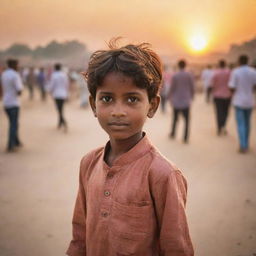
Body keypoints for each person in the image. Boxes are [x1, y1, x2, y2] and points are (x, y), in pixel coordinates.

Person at [66, 40, 194, 256]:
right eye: (107, 98)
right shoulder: (89, 163)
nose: (118, 111)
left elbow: (176, 248)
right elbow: (80, 235)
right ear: (93, 105)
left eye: (132, 99)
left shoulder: (162, 174)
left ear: (152, 105)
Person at [228, 55, 256, 153]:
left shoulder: (236, 72)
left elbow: (231, 87)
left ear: (239, 61)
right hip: (249, 101)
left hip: (239, 101)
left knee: (241, 124)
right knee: (248, 123)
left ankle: (243, 145)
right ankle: (246, 143)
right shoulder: (253, 71)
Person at [168, 59, 195, 143]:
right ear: (185, 65)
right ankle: (185, 137)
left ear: (178, 65)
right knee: (187, 120)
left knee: (175, 119)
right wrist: (192, 96)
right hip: (186, 101)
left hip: (176, 101)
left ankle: (173, 133)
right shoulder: (189, 75)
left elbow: (172, 88)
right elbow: (192, 87)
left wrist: (169, 96)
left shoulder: (175, 75)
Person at [1, 59, 23, 152]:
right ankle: (10, 145)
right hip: (14, 103)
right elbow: (19, 90)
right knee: (13, 124)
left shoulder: (4, 74)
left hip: (6, 102)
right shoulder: (15, 75)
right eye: (17, 65)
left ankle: (17, 141)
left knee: (13, 123)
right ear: (14, 65)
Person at [210, 59, 232, 135]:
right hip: (227, 95)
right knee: (226, 112)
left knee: (219, 112)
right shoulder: (229, 72)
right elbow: (231, 84)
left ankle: (219, 127)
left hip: (217, 95)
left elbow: (212, 84)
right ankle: (223, 126)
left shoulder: (215, 73)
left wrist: (212, 92)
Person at [48, 63, 69, 131]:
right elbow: (66, 84)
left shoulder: (54, 75)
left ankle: (64, 122)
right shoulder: (64, 75)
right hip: (63, 94)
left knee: (59, 109)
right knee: (61, 109)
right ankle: (60, 123)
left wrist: (50, 91)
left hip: (56, 94)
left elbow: (52, 85)